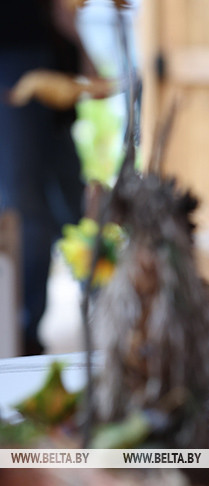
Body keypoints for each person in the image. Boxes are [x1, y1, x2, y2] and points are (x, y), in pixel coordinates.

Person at [0, 0, 89, 355]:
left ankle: (115, 316)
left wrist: (79, 47)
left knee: (75, 205)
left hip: (53, 60)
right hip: (13, 64)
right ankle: (24, 335)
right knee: (29, 212)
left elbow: (62, 11)